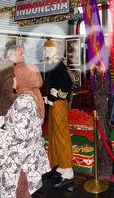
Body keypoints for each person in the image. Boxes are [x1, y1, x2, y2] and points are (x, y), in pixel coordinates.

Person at [0, 63, 50, 198]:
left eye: (15, 77)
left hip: (20, 162)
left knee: (20, 193)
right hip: (28, 160)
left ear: (24, 78)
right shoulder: (34, 95)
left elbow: (16, 136)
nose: (13, 80)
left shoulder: (23, 101)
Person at [43, 39, 74, 189]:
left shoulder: (58, 65)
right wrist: (49, 96)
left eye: (47, 49)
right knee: (54, 134)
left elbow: (68, 83)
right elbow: (53, 84)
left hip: (59, 105)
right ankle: (61, 164)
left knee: (62, 136)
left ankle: (68, 169)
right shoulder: (52, 64)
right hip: (53, 104)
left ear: (54, 50)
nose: (45, 52)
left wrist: (59, 94)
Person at [0, 45, 25, 117]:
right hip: (6, 108)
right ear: (12, 55)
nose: (23, 55)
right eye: (21, 53)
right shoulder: (12, 67)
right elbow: (8, 90)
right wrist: (18, 100)